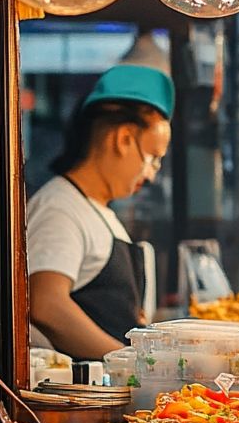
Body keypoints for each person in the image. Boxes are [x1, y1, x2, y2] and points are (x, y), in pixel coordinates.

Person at [25, 42, 173, 360]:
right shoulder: (60, 208)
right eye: (152, 158)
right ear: (122, 139)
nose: (151, 174)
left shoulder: (97, 210)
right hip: (79, 397)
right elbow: (45, 303)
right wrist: (130, 363)